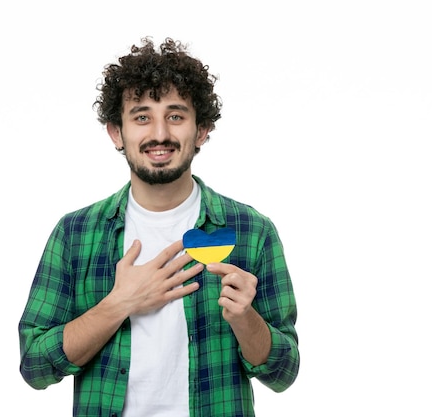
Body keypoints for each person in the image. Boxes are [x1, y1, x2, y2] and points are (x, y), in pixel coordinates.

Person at [18, 37, 299, 417]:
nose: (160, 134)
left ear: (201, 131)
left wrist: (245, 319)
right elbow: (35, 366)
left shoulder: (252, 231)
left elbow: (284, 373)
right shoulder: (75, 234)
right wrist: (120, 304)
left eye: (176, 115)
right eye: (142, 116)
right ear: (117, 132)